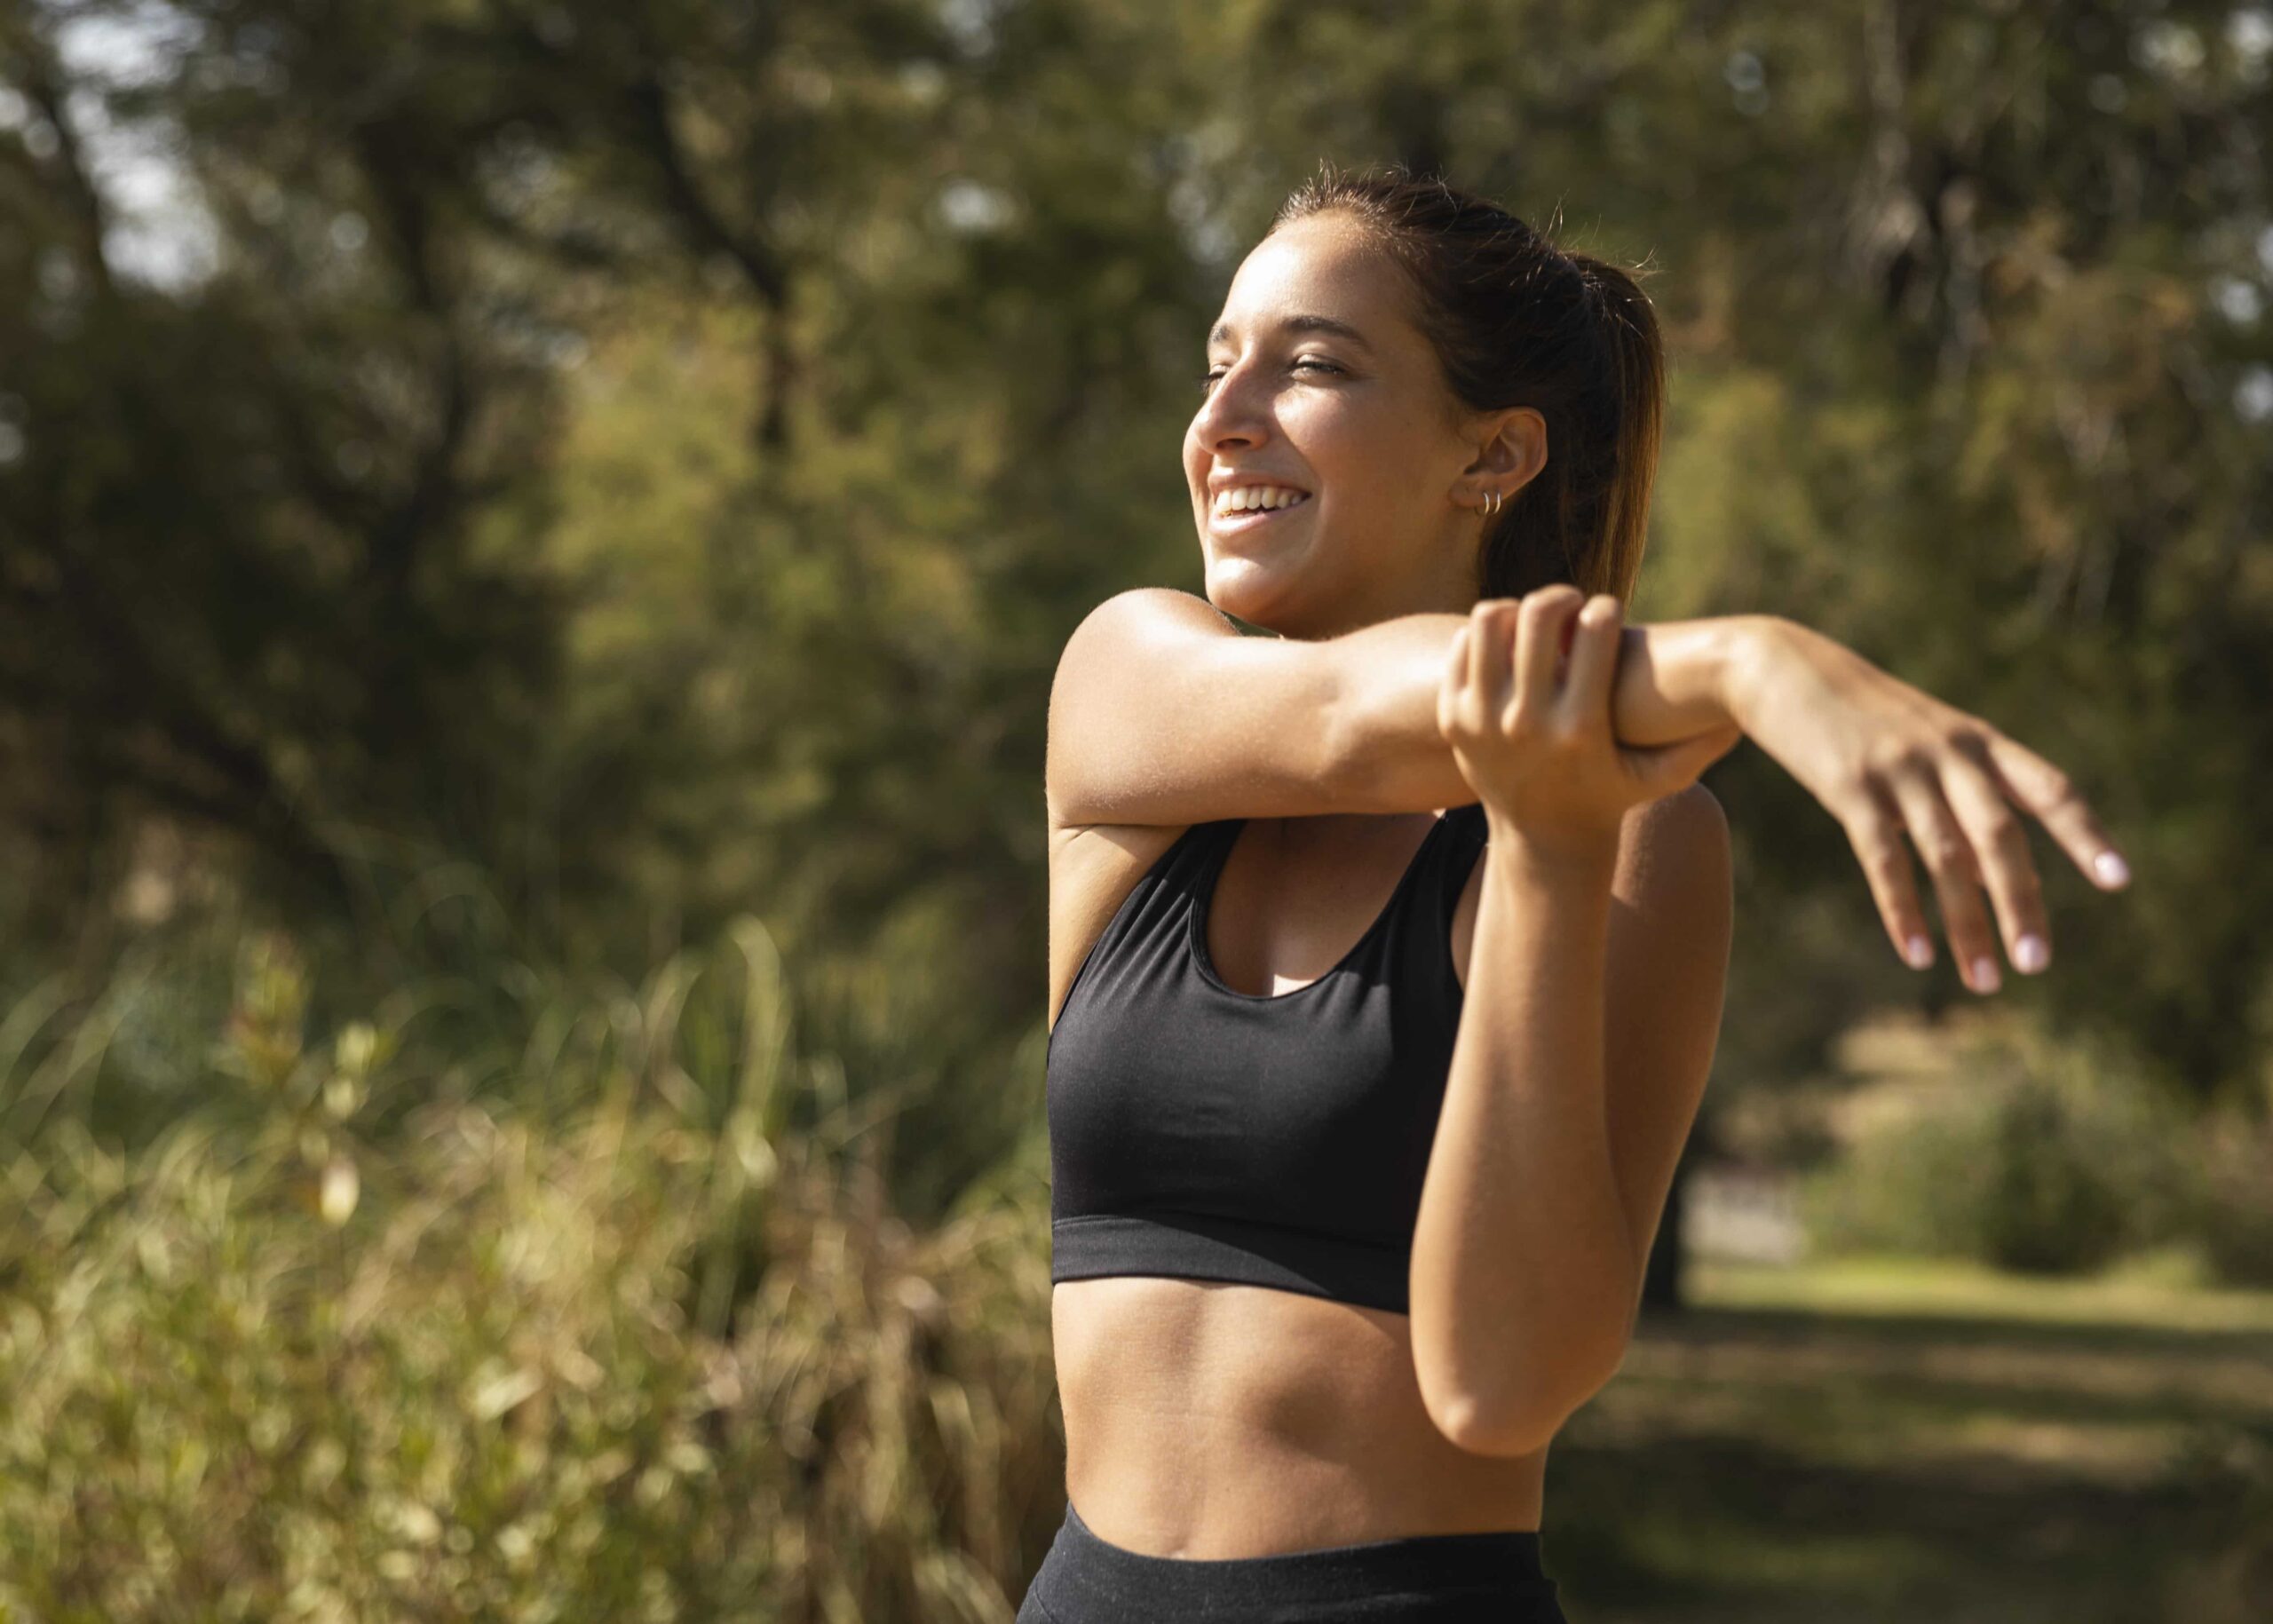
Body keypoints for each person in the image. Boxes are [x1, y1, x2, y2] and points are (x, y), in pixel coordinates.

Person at [1021, 164, 2130, 1623]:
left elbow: (1501, 1386)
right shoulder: (1131, 686)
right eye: (1220, 365)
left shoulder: (1638, 841)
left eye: (1311, 369)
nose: (1223, 423)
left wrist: (1546, 856)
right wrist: (1746, 661)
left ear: (1493, 456)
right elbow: (1352, 719)